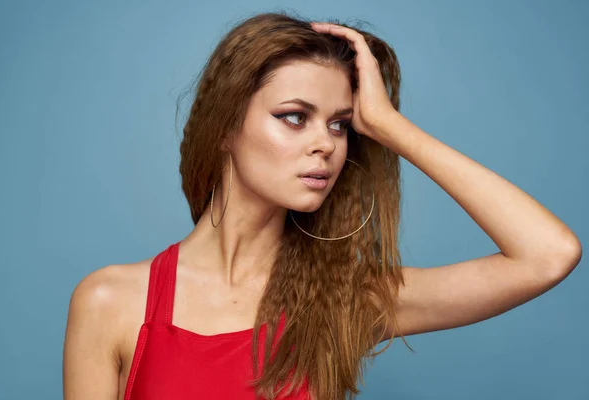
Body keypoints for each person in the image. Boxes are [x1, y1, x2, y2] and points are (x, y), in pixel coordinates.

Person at [62, 12, 582, 400]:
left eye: (339, 124)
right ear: (225, 127)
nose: (327, 145)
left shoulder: (345, 299)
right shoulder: (111, 300)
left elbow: (548, 255)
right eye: (294, 116)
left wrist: (387, 127)